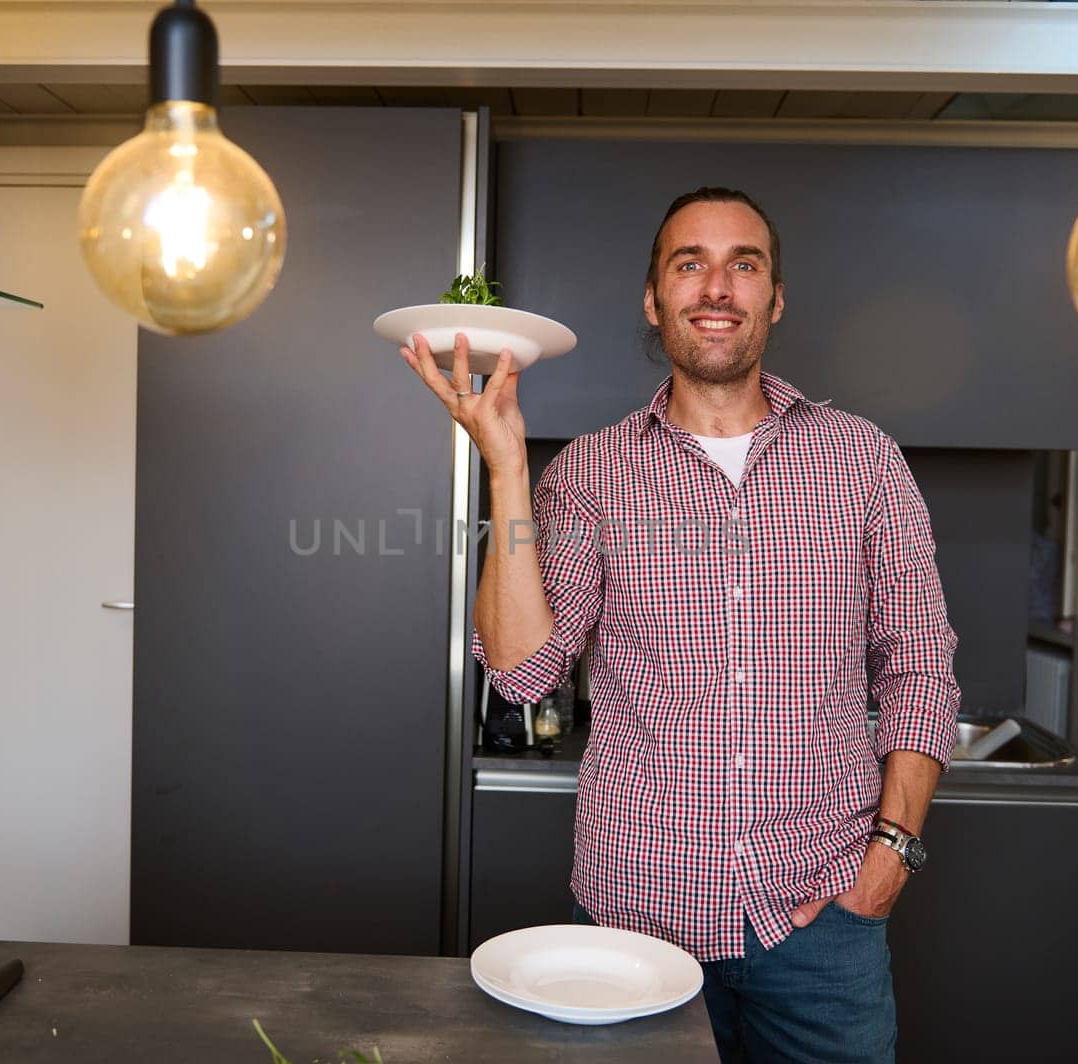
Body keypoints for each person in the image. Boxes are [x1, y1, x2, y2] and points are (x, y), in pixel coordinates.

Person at [399, 187, 960, 1063]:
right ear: (654, 300)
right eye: (688, 264)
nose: (716, 287)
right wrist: (508, 467)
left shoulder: (863, 460)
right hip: (635, 917)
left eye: (745, 263)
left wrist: (891, 854)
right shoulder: (589, 472)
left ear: (774, 298)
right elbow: (521, 672)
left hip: (822, 922)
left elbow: (921, 669)